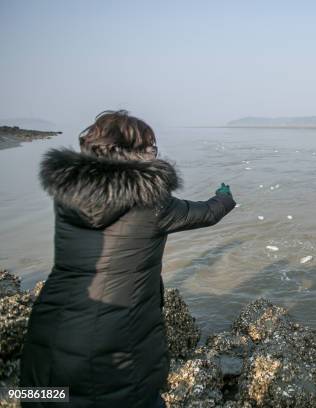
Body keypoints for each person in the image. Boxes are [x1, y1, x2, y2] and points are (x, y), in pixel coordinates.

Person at [19, 110, 235, 407]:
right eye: (150, 148)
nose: (155, 155)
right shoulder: (152, 202)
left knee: (41, 399)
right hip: (115, 349)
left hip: (46, 337)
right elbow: (207, 213)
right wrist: (224, 196)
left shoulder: (68, 194)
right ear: (128, 152)